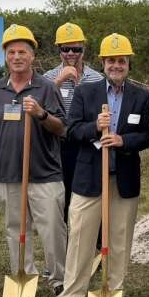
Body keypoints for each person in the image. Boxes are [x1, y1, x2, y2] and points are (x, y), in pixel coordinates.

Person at [49, 33, 149, 297]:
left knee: (119, 237)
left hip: (123, 178)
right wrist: (95, 126)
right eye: (111, 60)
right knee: (81, 234)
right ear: (103, 62)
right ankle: (71, 294)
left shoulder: (141, 97)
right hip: (89, 176)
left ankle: (115, 289)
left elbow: (145, 136)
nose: (116, 65)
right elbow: (72, 130)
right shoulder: (86, 92)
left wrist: (123, 141)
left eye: (121, 60)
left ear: (128, 63)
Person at [0, 24, 68, 296]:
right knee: (15, 229)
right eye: (11, 52)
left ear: (32, 56)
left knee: (53, 230)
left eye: (22, 51)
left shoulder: (46, 88)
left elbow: (63, 128)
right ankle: (25, 274)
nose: (17, 57)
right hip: (8, 173)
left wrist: (42, 114)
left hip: (44, 173)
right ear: (5, 56)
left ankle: (60, 280)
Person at [43, 22, 103, 223]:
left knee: (88, 194)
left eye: (76, 49)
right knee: (62, 196)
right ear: (59, 50)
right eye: (65, 49)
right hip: (57, 144)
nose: (71, 53)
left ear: (83, 49)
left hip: (87, 142)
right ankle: (66, 244)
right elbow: (40, 103)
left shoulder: (96, 78)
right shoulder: (48, 78)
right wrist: (59, 81)